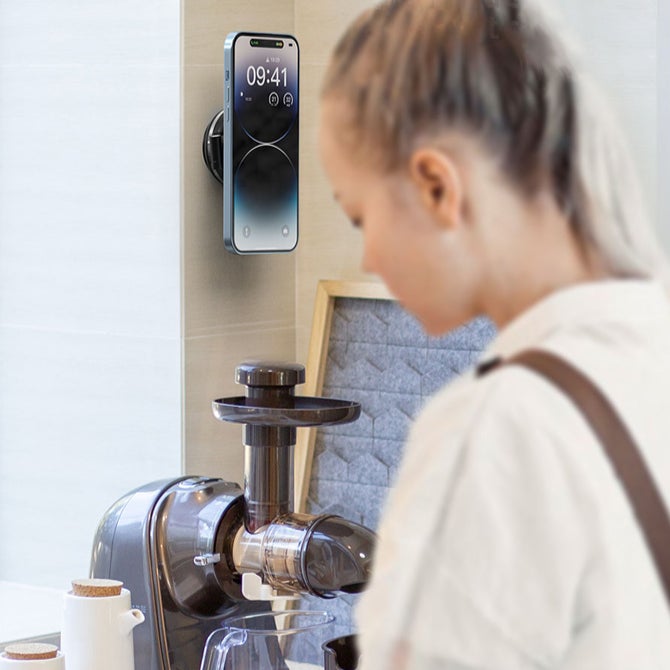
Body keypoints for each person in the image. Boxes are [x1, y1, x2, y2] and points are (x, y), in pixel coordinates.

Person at [317, 0, 670, 668]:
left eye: (361, 218)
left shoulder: (497, 432)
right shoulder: (648, 347)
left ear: (436, 185)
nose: (370, 258)